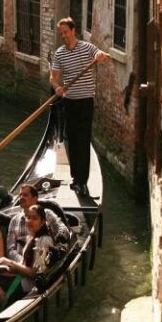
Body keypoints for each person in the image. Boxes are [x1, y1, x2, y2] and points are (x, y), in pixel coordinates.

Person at [50, 17, 110, 196]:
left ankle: (81, 182)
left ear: (73, 30)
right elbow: (53, 77)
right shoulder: (60, 54)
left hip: (85, 102)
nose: (64, 36)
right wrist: (57, 88)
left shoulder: (87, 48)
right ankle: (76, 178)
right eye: (61, 34)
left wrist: (100, 56)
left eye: (66, 32)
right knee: (71, 140)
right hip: (69, 102)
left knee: (82, 140)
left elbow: (104, 57)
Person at [0, 205, 58, 307]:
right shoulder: (30, 236)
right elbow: (25, 264)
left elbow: (34, 273)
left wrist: (10, 262)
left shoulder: (43, 241)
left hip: (30, 285)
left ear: (43, 221)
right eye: (28, 217)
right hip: (21, 277)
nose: (30, 221)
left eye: (35, 218)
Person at [6, 184, 70, 263]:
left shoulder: (47, 214)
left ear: (34, 199)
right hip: (21, 263)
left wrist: (59, 251)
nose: (21, 198)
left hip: (44, 261)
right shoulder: (14, 220)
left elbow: (62, 229)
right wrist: (23, 261)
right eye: (20, 195)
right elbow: (10, 249)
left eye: (25, 195)